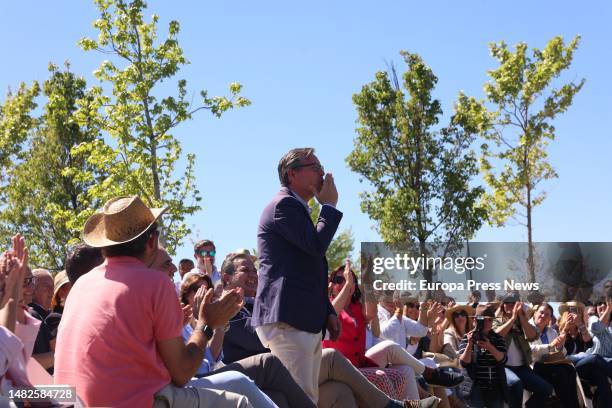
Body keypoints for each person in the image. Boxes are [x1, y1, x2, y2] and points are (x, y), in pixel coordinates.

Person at [54, 196, 274, 408]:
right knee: (241, 403)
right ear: (152, 241)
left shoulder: (81, 285)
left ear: (105, 244)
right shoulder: (155, 283)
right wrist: (206, 325)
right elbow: (182, 372)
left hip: (75, 402)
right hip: (136, 402)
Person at [253, 148, 342, 403]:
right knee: (301, 400)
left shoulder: (296, 207)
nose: (322, 172)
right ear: (292, 174)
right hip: (289, 320)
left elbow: (307, 265)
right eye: (314, 167)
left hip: (300, 318)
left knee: (306, 397)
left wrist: (327, 310)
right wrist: (330, 207)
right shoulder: (284, 204)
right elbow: (315, 246)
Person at [494, 292, 552, 408]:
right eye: (507, 303)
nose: (510, 305)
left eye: (513, 303)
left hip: (521, 368)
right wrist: (512, 319)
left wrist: (521, 317)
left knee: (546, 389)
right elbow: (496, 335)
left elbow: (532, 336)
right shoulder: (497, 320)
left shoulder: (523, 321)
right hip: (502, 367)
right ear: (502, 305)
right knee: (516, 384)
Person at [558, 302, 611, 408]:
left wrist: (580, 325)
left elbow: (589, 344)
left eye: (576, 311)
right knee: (595, 358)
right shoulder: (559, 331)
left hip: (584, 366)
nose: (573, 314)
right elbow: (558, 351)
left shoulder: (582, 330)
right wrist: (565, 330)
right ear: (565, 314)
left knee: (600, 375)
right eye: (570, 311)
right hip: (568, 366)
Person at [529, 303, 579, 408]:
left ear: (549, 319)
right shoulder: (527, 328)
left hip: (551, 365)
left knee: (570, 370)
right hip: (534, 365)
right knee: (560, 373)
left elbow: (563, 352)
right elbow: (529, 350)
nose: (543, 316)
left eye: (547, 315)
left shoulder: (552, 332)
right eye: (541, 312)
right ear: (534, 314)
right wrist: (549, 346)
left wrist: (561, 340)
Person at [458, 304, 507, 408]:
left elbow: (503, 359)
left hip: (495, 386)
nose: (486, 322)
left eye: (489, 320)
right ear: (475, 320)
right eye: (482, 319)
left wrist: (490, 347)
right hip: (475, 386)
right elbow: (464, 362)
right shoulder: (467, 337)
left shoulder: (498, 338)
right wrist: (470, 344)